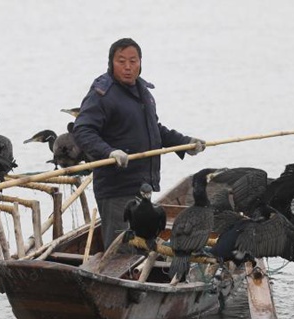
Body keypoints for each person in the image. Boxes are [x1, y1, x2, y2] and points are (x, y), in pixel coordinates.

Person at [72, 37, 206, 251]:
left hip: (142, 185)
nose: (127, 67)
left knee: (141, 246)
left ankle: (139, 277)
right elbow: (83, 130)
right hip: (116, 188)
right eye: (121, 61)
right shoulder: (102, 95)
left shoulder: (143, 92)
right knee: (121, 249)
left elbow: (154, 129)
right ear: (111, 63)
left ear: (140, 63)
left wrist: (184, 143)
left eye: (133, 61)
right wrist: (109, 152)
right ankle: (116, 283)